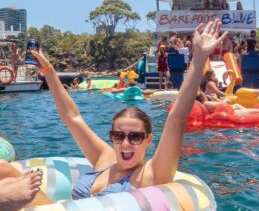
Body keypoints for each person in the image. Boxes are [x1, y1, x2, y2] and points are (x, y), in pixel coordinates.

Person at [29, 20, 226, 198]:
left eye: (135, 136)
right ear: (111, 137)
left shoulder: (149, 175)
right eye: (118, 136)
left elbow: (176, 119)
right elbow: (72, 117)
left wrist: (199, 58)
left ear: (148, 140)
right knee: (5, 172)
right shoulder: (104, 159)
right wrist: (48, 70)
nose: (125, 143)